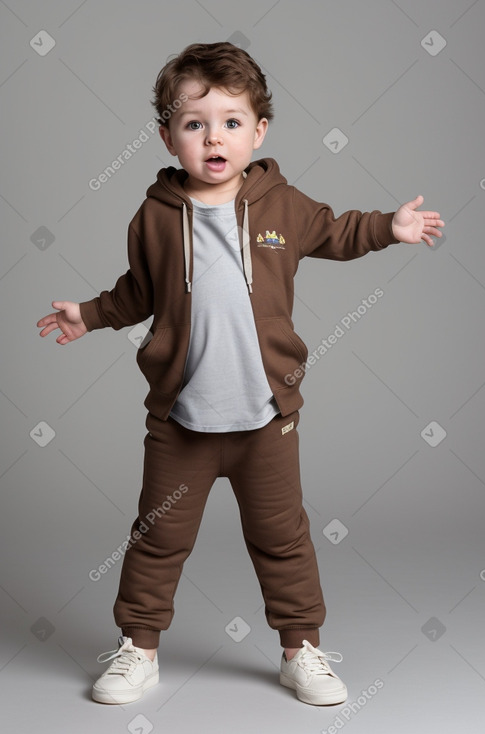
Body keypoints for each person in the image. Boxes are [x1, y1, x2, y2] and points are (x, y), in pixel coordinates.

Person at [36, 41, 444, 707]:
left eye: (230, 121)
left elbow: (336, 232)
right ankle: (137, 649)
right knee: (157, 538)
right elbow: (138, 291)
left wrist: (387, 228)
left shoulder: (282, 205)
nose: (212, 137)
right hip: (182, 423)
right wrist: (89, 313)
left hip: (265, 423)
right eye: (193, 124)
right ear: (168, 137)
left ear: (258, 131)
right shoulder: (154, 218)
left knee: (283, 540)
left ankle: (300, 649)